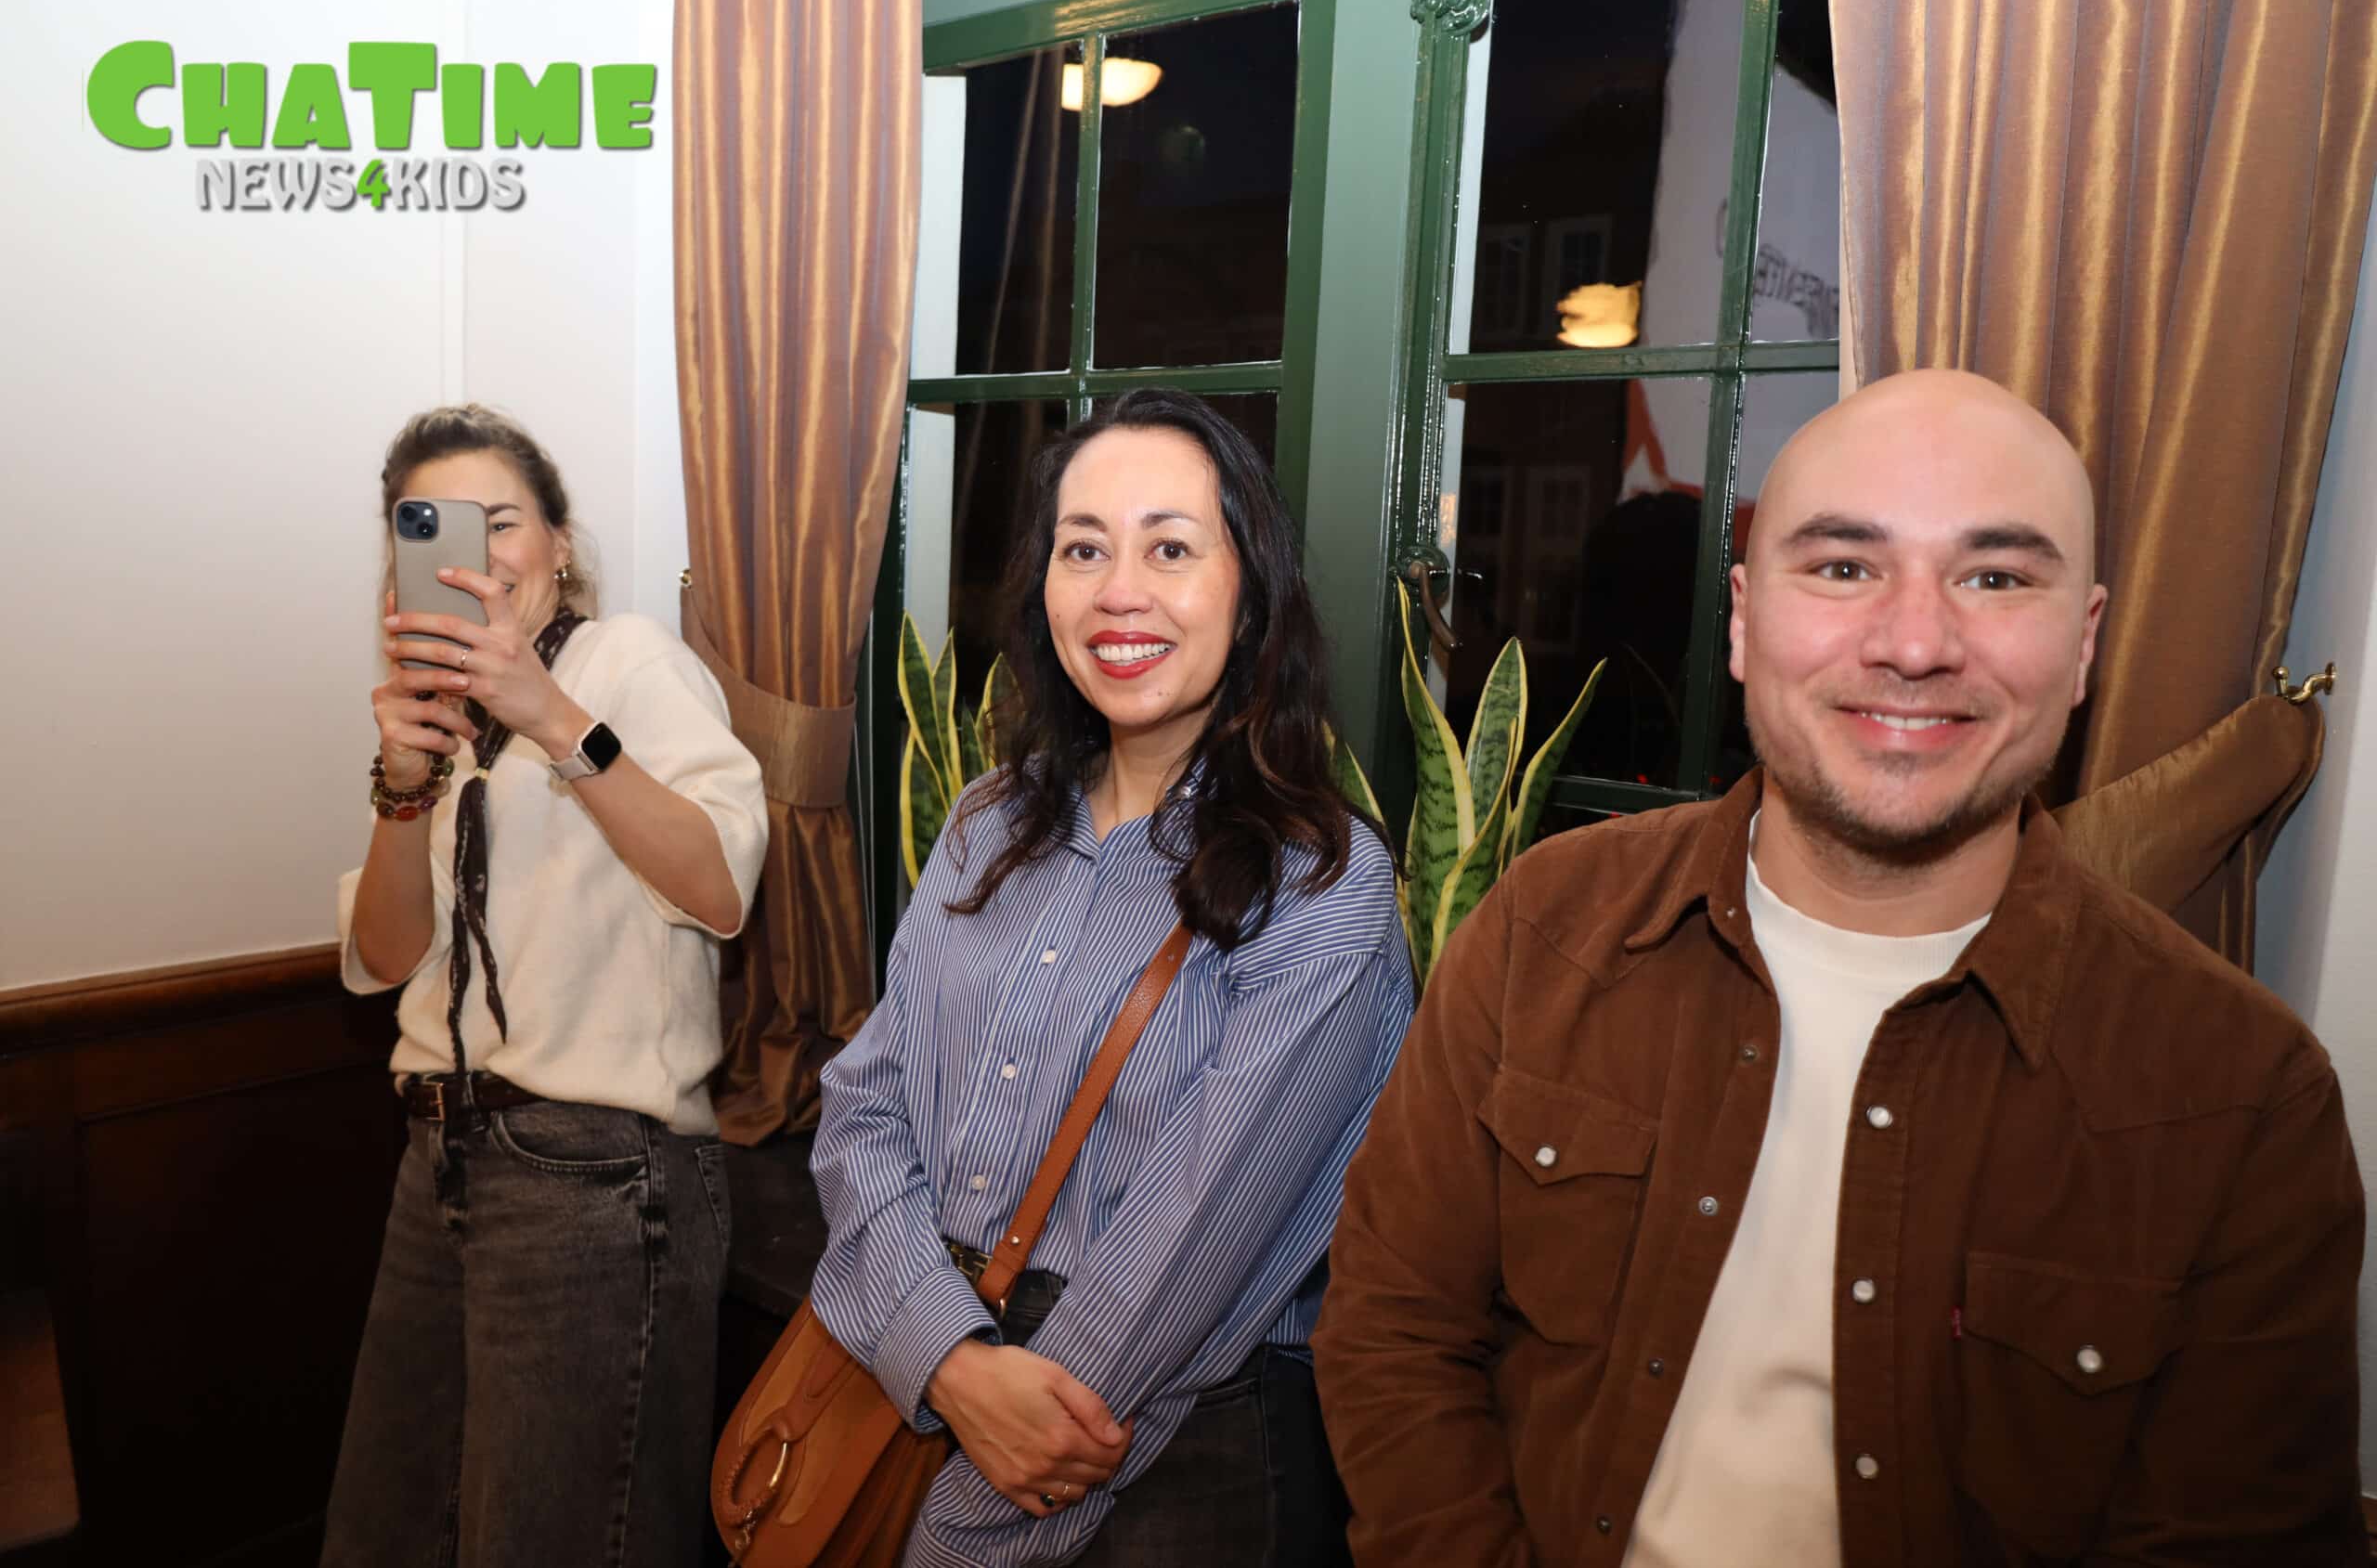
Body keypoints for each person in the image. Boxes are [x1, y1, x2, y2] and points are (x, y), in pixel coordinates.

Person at [1312, 369, 2364, 1566]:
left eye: (1994, 578)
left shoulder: (2236, 1094)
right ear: (1744, 621)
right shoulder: (1547, 927)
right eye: (1844, 566)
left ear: (2081, 646)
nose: (1914, 644)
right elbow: (1394, 1333)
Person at [809, 388, 1414, 1568]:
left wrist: (964, 1522)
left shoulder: (1319, 885)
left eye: (1170, 549)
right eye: (1082, 549)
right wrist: (945, 1354)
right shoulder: (987, 825)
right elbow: (863, 1108)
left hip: (1177, 1451)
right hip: (933, 1354)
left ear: (1250, 595)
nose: (1118, 591)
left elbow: (1185, 1256)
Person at [322, 403, 768, 1567]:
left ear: (558, 545)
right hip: (436, 1159)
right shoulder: (437, 717)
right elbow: (385, 960)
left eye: (500, 521)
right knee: (383, 1532)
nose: (474, 554)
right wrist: (403, 783)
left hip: (597, 1175)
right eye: (431, 526)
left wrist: (556, 719)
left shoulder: (629, 662)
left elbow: (721, 886)